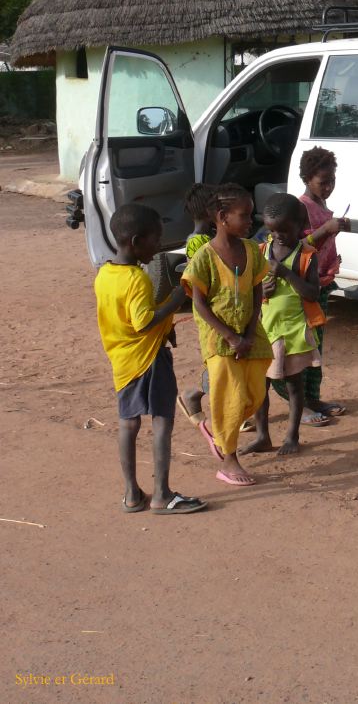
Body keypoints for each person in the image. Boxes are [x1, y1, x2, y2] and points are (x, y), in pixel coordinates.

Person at [95, 203, 207, 515]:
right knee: (162, 421)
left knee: (127, 424)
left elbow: (125, 319)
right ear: (135, 241)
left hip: (123, 361)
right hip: (150, 360)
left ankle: (132, 493)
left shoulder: (105, 274)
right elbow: (143, 321)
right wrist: (177, 298)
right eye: (155, 239)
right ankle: (162, 494)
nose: (158, 245)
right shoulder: (136, 279)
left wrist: (165, 328)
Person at [181, 183, 272, 487]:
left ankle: (215, 430)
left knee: (256, 393)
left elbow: (257, 290)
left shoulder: (250, 250)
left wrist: (247, 332)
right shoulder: (204, 257)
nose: (251, 221)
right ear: (221, 216)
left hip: (250, 333)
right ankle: (228, 458)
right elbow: (199, 303)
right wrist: (231, 337)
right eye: (244, 216)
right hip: (219, 340)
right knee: (230, 398)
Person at [244, 193, 326, 456]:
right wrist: (263, 291)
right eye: (272, 230)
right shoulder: (261, 251)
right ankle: (262, 436)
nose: (278, 236)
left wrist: (286, 273)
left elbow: (312, 293)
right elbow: (252, 290)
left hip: (292, 332)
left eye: (284, 230)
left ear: (299, 226)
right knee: (260, 387)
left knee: (293, 386)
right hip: (265, 331)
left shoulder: (306, 256)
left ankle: (292, 436)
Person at [294, 147, 350, 424]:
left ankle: (312, 397)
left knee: (317, 346)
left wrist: (337, 225)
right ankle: (300, 403)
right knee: (302, 347)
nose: (328, 187)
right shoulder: (301, 207)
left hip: (324, 282)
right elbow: (295, 246)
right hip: (304, 285)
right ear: (306, 178)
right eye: (323, 182)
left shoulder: (323, 206)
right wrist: (326, 230)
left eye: (332, 181)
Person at [177, 183, 217, 426]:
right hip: (210, 310)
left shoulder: (204, 238)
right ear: (207, 212)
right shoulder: (199, 242)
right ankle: (194, 395)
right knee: (218, 360)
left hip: (214, 307)